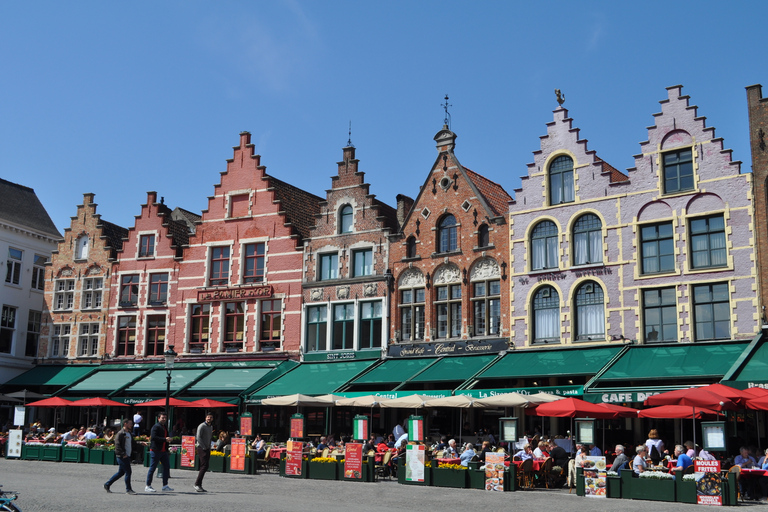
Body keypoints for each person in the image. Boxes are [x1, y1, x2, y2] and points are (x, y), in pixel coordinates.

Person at [104, 419, 137, 494]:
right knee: (128, 471)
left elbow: (133, 443)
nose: (131, 425)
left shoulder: (129, 433)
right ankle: (128, 489)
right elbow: (117, 445)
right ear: (125, 424)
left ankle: (107, 484)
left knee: (121, 472)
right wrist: (123, 454)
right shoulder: (120, 433)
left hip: (127, 455)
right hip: (122, 456)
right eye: (130, 423)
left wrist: (141, 443)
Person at [145, 411, 173, 493]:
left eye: (165, 418)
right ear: (158, 418)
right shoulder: (155, 427)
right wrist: (165, 439)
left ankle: (165, 485)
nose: (164, 419)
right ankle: (148, 485)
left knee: (166, 467)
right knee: (152, 468)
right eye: (162, 417)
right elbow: (153, 437)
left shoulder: (164, 427)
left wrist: (168, 440)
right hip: (156, 450)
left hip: (163, 451)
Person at [194, 413, 213, 493]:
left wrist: (209, 446)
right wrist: (204, 446)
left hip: (207, 448)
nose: (209, 418)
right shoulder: (202, 426)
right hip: (202, 448)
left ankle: (199, 484)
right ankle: (197, 484)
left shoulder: (210, 427)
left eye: (211, 417)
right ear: (205, 418)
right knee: (204, 466)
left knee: (205, 466)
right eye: (208, 417)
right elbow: (198, 437)